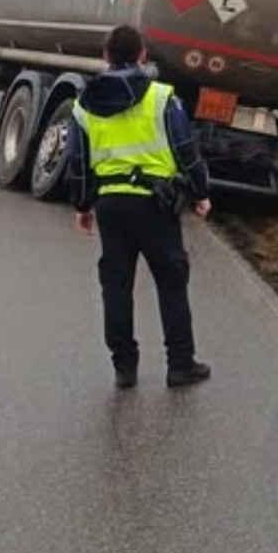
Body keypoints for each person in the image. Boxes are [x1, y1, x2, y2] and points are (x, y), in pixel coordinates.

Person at [67, 25, 213, 389]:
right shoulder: (162, 98)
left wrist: (83, 205)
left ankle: (124, 367)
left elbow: (77, 161)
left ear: (106, 56)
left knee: (116, 285)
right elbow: (186, 149)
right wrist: (200, 192)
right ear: (143, 55)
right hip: (155, 204)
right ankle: (180, 365)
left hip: (111, 206)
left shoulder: (84, 104)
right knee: (171, 282)